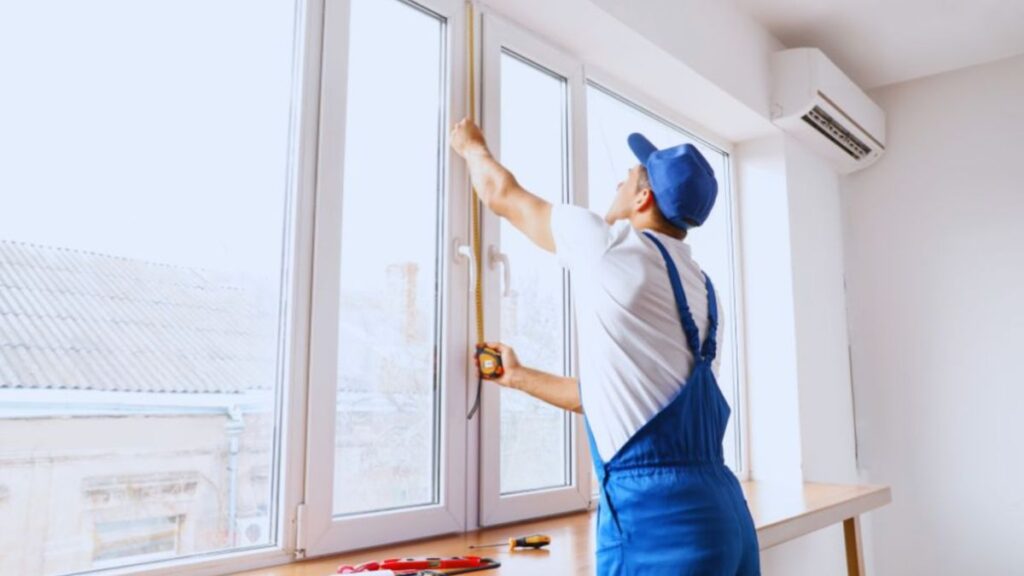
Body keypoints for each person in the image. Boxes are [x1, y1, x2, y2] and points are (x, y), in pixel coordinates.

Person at [450, 117, 760, 575]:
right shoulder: (702, 289)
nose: (618, 180)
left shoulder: (608, 245)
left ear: (643, 197)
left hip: (657, 524)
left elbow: (502, 196)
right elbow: (623, 403)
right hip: (725, 517)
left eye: (630, 175)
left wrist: (470, 147)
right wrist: (518, 377)